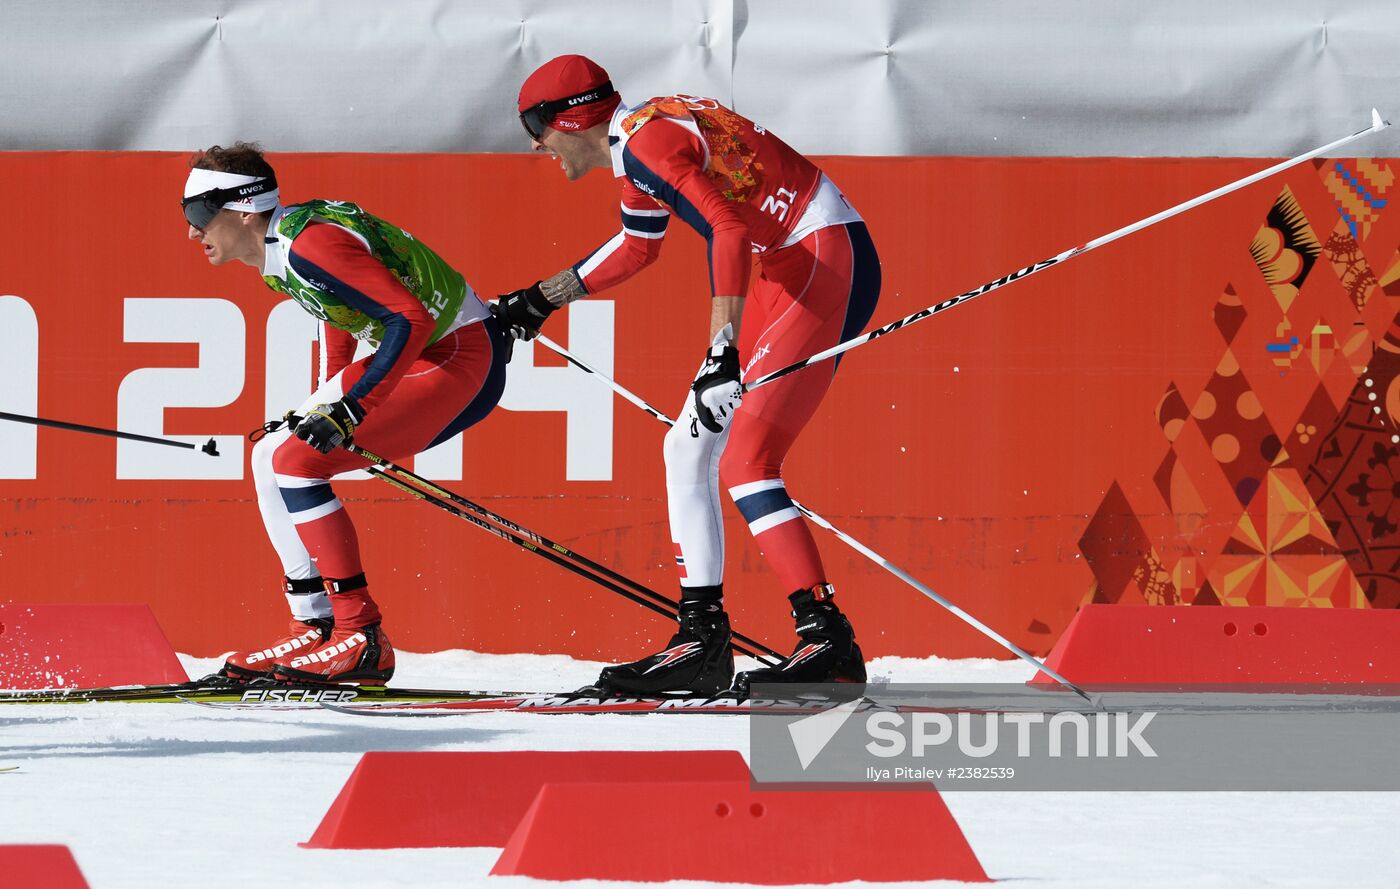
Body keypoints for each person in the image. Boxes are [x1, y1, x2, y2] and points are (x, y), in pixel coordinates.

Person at [498, 56, 882, 696]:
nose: (538, 146)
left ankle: (827, 640)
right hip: (791, 261)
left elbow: (727, 229)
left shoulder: (648, 145)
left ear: (570, 119)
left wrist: (719, 351)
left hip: (820, 259)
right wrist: (541, 298)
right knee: (687, 446)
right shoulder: (638, 148)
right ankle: (702, 639)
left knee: (748, 461)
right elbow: (636, 248)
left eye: (536, 130)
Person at [182, 142, 506, 684]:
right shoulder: (280, 252)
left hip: (456, 358)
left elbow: (409, 319)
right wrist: (324, 396)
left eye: (197, 215)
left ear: (241, 209)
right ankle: (314, 624)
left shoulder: (311, 245)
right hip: (426, 351)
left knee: (295, 462)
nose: (193, 232)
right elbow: (341, 312)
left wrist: (352, 408)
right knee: (270, 455)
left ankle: (360, 633)